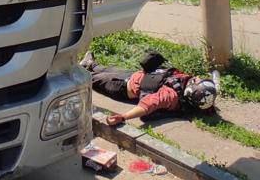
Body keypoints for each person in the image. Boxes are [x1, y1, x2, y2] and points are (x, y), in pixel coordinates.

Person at [81, 49, 217, 124]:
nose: (197, 78)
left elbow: (147, 105)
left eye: (197, 81)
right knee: (106, 70)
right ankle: (91, 64)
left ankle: (77, 71)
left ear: (191, 89)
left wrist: (123, 117)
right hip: (135, 75)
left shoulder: (170, 95)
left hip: (122, 86)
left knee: (89, 78)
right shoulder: (192, 88)